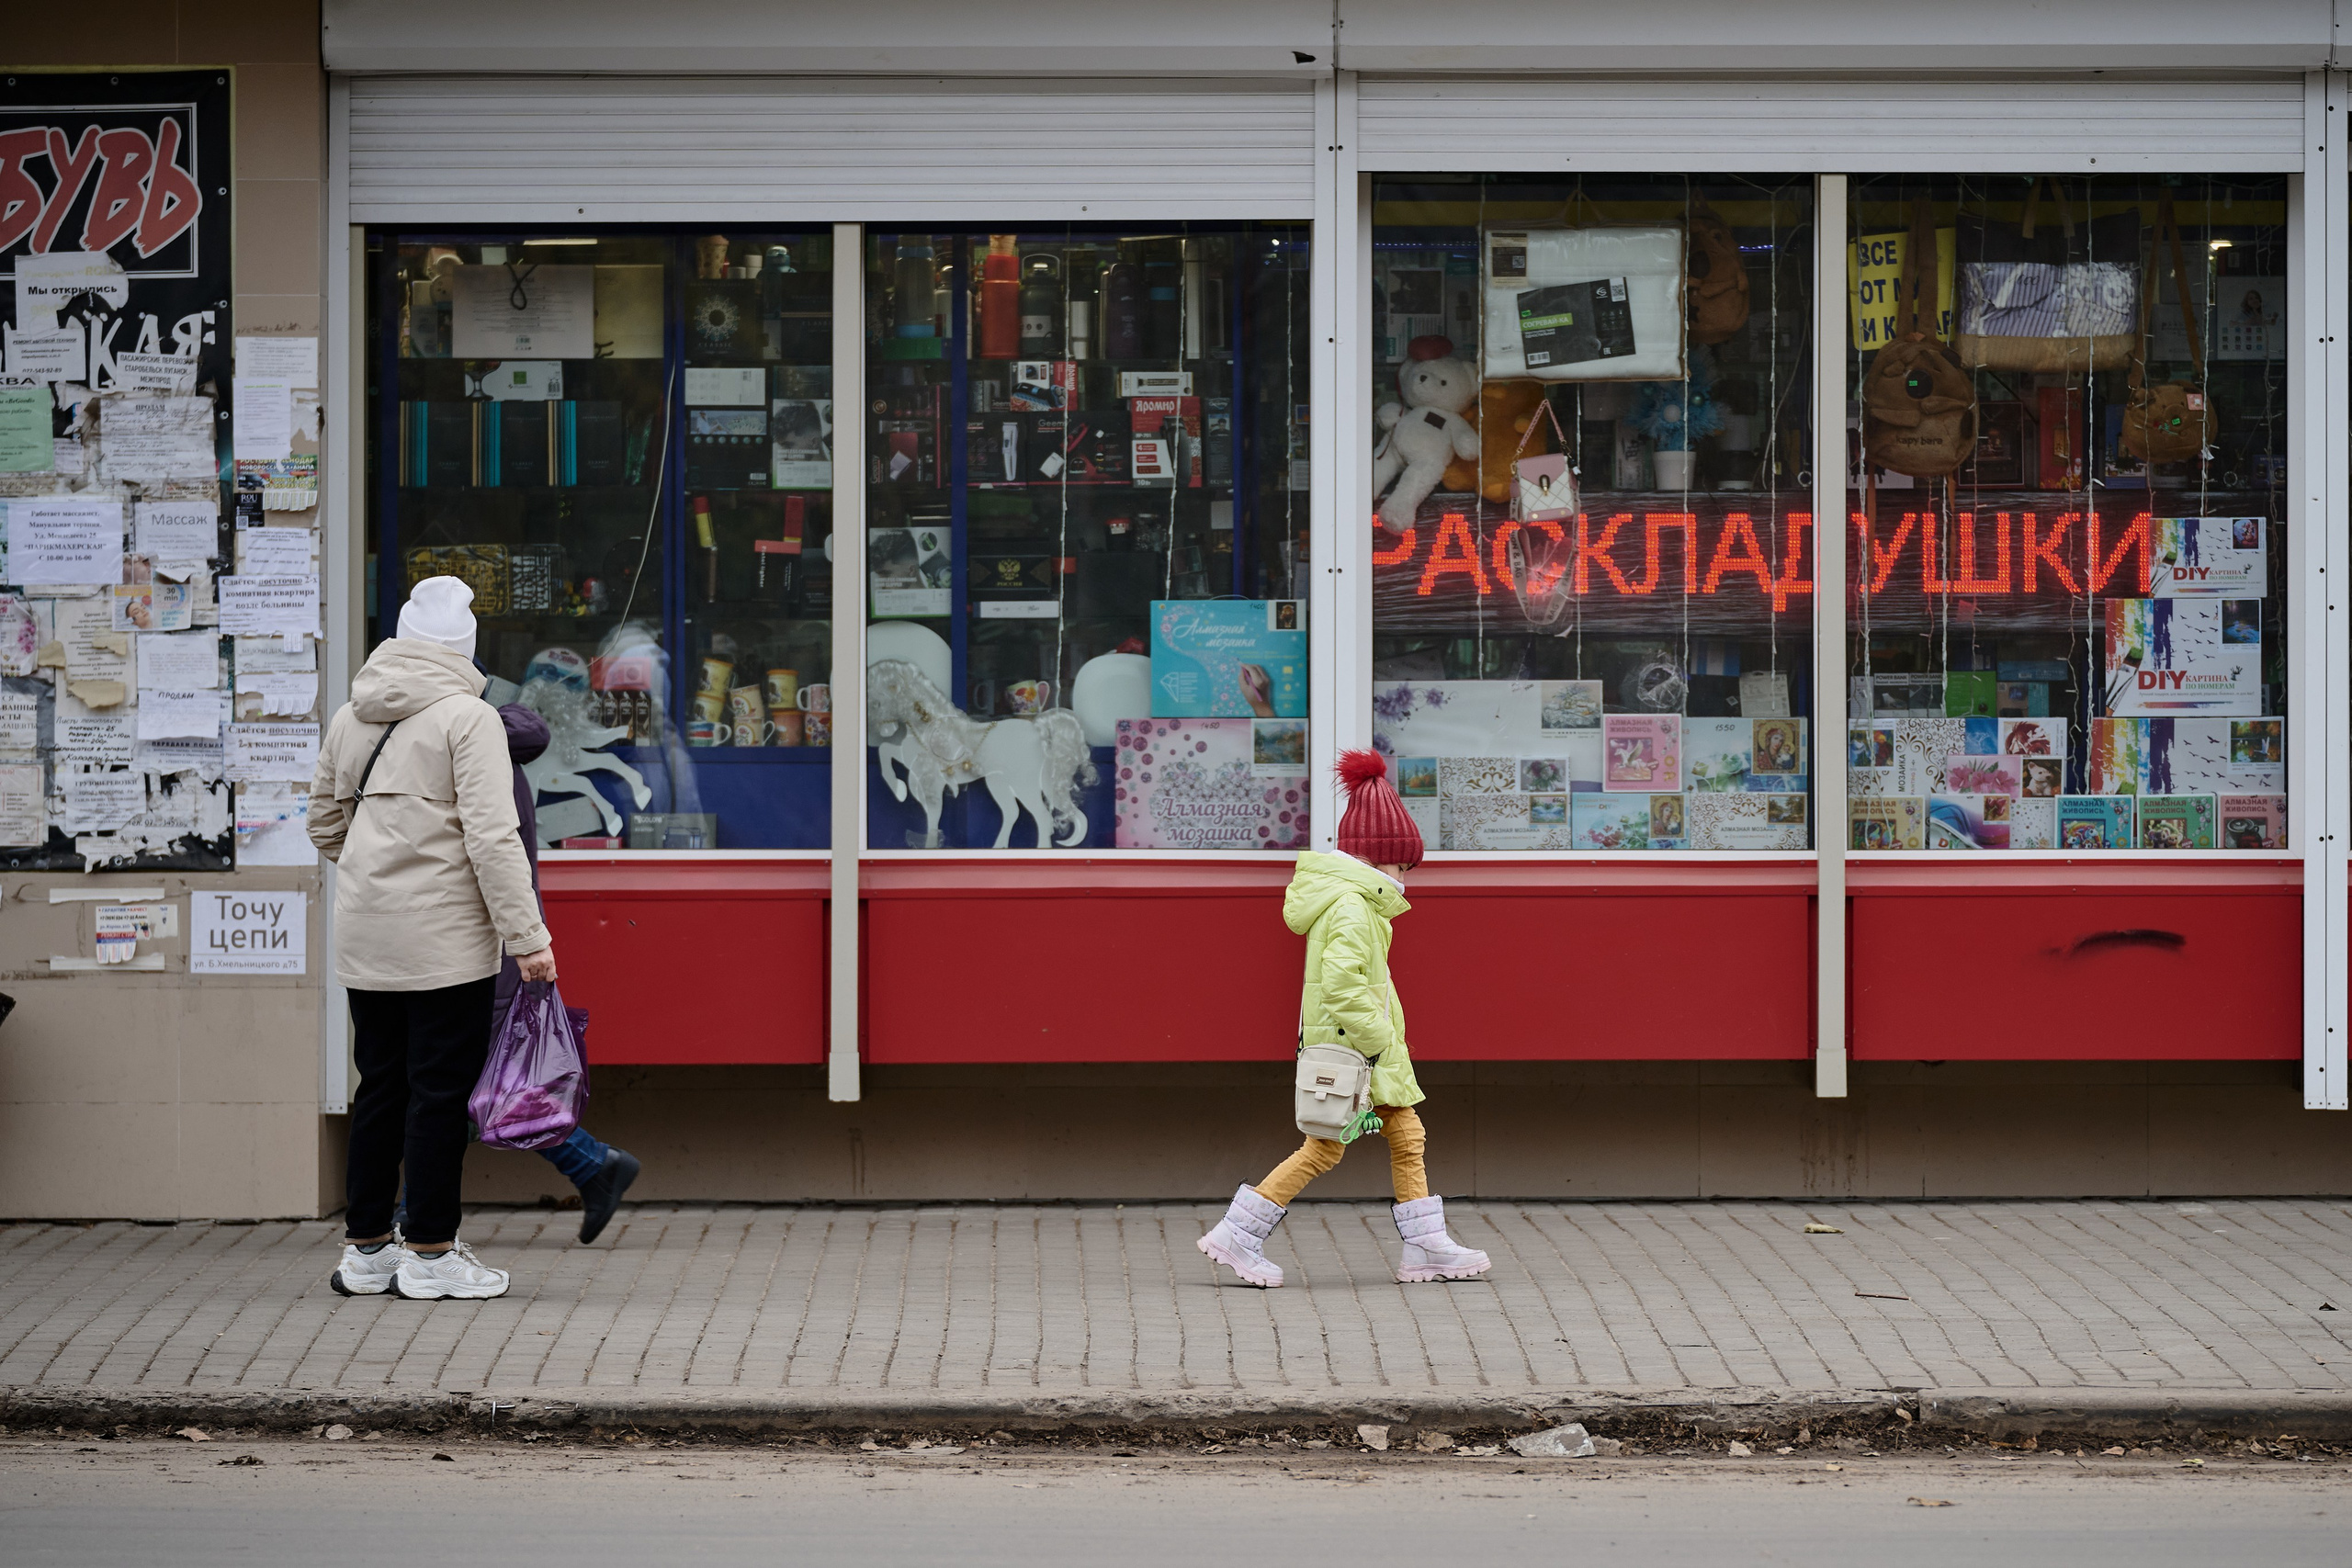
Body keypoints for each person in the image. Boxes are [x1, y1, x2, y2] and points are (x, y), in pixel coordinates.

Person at [310, 576, 554, 1302]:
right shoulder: (468, 717)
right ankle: (431, 1252)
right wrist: (527, 937)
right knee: (439, 1095)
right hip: (444, 941)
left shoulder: (350, 716)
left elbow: (323, 825)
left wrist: (378, 870)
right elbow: (493, 838)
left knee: (380, 1087)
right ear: (464, 649)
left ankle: (366, 1250)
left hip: (366, 936)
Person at [1196, 750, 1491, 1289]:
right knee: (1326, 1148)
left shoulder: (1353, 903)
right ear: (1379, 860)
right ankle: (1237, 1234)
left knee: (1404, 1135)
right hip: (1359, 1052)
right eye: (1402, 866)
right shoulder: (1354, 907)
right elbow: (1342, 985)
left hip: (1359, 1049)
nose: (1406, 878)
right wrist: (1380, 1041)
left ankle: (1425, 1246)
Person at [496, 698, 640, 1241]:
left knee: (463, 1079)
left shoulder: (475, 757)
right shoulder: (493, 754)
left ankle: (411, 1217)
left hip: (482, 943)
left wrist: (526, 941)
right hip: (496, 940)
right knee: (469, 1080)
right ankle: (593, 1166)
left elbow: (492, 858)